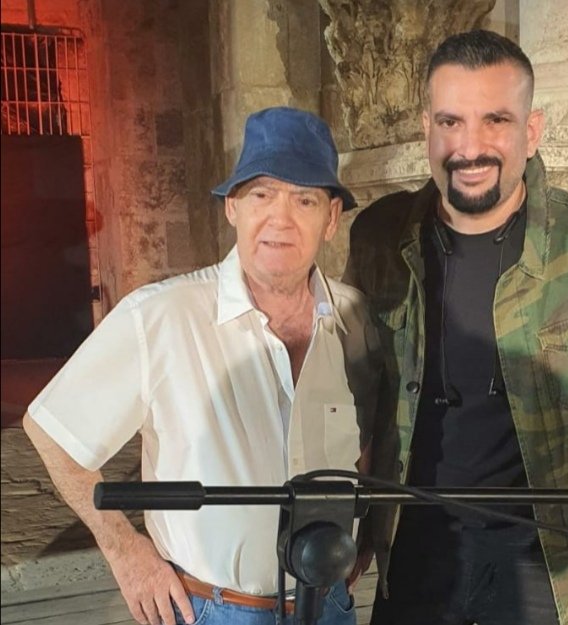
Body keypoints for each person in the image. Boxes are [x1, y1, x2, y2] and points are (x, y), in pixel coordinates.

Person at [344, 30, 568, 625]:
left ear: (532, 129)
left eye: (495, 120)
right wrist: (358, 517)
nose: (470, 147)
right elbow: (359, 392)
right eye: (450, 121)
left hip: (546, 555)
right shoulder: (378, 237)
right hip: (414, 546)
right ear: (426, 128)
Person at [24, 106, 381, 625]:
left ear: (330, 219)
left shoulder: (355, 318)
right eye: (261, 195)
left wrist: (367, 530)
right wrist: (125, 552)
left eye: (304, 199)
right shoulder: (160, 317)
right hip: (210, 611)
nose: (280, 218)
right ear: (232, 207)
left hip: (328, 604)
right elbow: (53, 431)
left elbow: (366, 433)